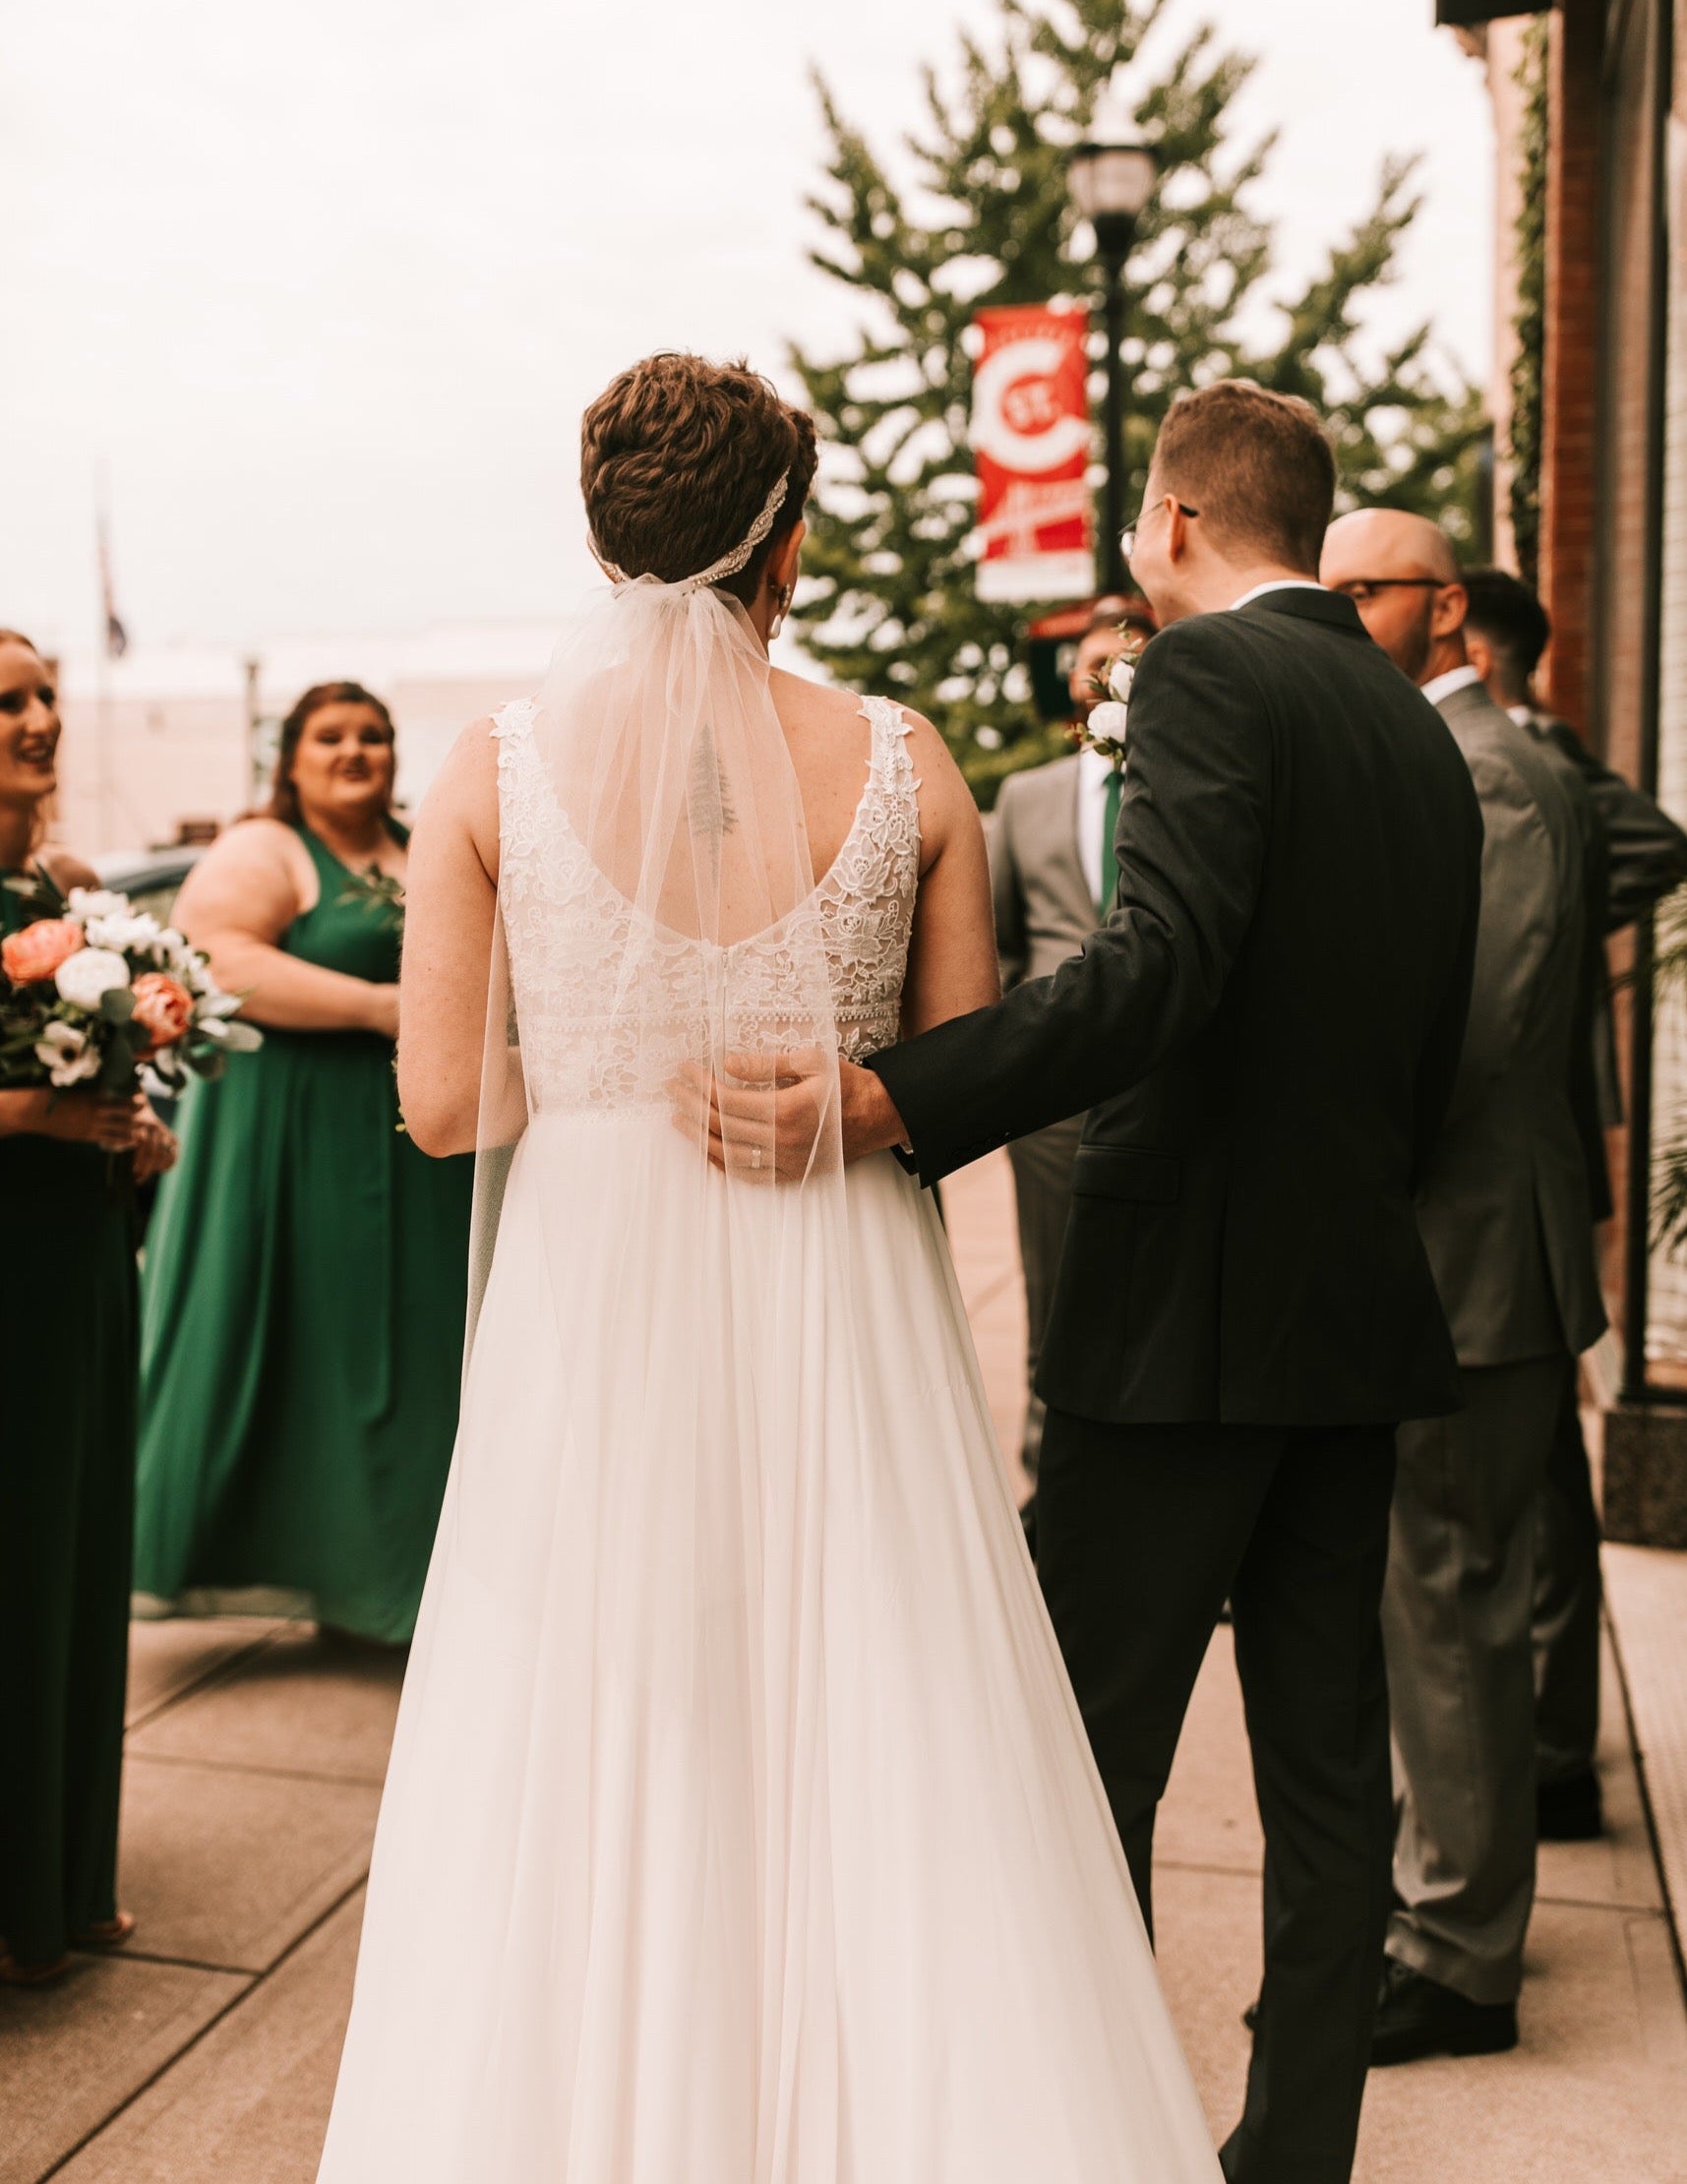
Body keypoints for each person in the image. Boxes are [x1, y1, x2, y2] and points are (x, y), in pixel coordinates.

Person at [314, 355, 1223, 2184]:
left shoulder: (489, 771)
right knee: (879, 1698)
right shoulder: (904, 758)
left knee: (599, 1719)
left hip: (593, 1294)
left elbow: (430, 1103)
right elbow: (954, 1068)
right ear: (786, 547)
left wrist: (593, 1069)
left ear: (603, 537)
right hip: (841, 1290)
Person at [714, 383, 1483, 2184]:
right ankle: (1295, 2154)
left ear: (1179, 524)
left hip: (1184, 1326)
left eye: (1139, 526)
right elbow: (1426, 1053)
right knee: (1321, 1770)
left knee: (1077, 1759)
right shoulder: (1411, 723)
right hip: (1350, 1313)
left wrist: (902, 1091)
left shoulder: (1206, 674)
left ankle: (1080, 2134)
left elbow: (1164, 964)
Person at [1320, 513, 1604, 2063]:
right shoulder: (1451, 753)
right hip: (1464, 1243)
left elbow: (1467, 1040)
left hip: (1467, 1249)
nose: (1334, 609)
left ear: (1440, 607)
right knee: (1435, 1594)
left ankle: (1457, 1954)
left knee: (1452, 1600)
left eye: (1356, 587)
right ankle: (1449, 1906)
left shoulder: (1483, 769)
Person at [134, 683, 473, 1646]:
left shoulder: (420, 849)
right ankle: (316, 1571)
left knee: (415, 1345)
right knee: (316, 1342)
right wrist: (377, 1007)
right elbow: (214, 954)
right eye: (330, 737)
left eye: (374, 735)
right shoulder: (265, 848)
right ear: (290, 758)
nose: (354, 752)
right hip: (290, 1132)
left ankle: (396, 1584)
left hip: (416, 1137)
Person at [1465, 565, 1687, 1841]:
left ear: (1478, 650)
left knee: (1528, 1476)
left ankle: (1551, 1747)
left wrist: (1549, 912)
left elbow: (1659, 843)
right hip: (1529, 1152)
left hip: (1517, 1152)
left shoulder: (1523, 750)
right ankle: (1550, 1745)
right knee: (1533, 1464)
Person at [0, 630, 175, 1984]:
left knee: (69, 1548)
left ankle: (61, 1880)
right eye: (10, 701)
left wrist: (130, 1131)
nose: (41, 718)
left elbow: (98, 1076)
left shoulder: (70, 888)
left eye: (47, 695)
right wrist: (47, 1110)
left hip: (70, 1259)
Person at [993, 600, 1156, 1479]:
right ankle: (1045, 1476)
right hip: (1052, 1094)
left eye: (1125, 659)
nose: (1104, 674)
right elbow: (1001, 938)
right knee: (1050, 1282)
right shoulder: (1025, 798)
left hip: (1165, 1072)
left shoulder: (1180, 783)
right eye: (1093, 661)